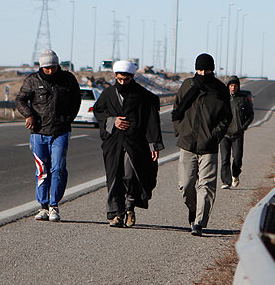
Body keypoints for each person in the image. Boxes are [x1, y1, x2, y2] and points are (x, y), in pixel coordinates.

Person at [92, 60, 164, 227]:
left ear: (133, 77)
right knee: (114, 177)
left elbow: (152, 121)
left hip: (135, 143)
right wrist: (112, 121)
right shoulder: (108, 94)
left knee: (131, 176)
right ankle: (117, 214)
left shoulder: (144, 97)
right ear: (115, 77)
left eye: (126, 79)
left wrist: (154, 144)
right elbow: (98, 111)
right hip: (113, 143)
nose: (123, 83)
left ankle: (130, 207)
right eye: (120, 79)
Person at [15, 49, 81, 222]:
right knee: (42, 170)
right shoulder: (32, 81)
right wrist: (29, 114)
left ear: (57, 64)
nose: (50, 71)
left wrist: (68, 119)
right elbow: (20, 100)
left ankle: (54, 205)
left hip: (60, 131)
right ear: (41, 67)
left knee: (58, 168)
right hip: (38, 133)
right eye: (46, 68)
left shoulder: (68, 79)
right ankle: (43, 206)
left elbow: (76, 100)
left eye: (53, 67)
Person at [171, 53, 232, 236]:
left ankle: (198, 222)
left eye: (206, 69)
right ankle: (193, 209)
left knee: (206, 186)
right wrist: (180, 131)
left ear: (212, 69)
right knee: (186, 184)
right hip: (187, 143)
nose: (202, 73)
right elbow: (177, 110)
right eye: (199, 69)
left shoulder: (219, 90)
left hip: (209, 146)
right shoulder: (188, 85)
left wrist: (214, 136)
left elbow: (226, 118)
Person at [219, 75, 254, 189]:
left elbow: (250, 115)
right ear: (228, 86)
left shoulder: (243, 99)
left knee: (237, 158)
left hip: (238, 134)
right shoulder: (223, 99)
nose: (233, 88)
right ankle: (225, 181)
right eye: (231, 85)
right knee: (225, 159)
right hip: (224, 134)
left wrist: (243, 127)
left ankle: (235, 174)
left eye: (235, 86)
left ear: (238, 86)